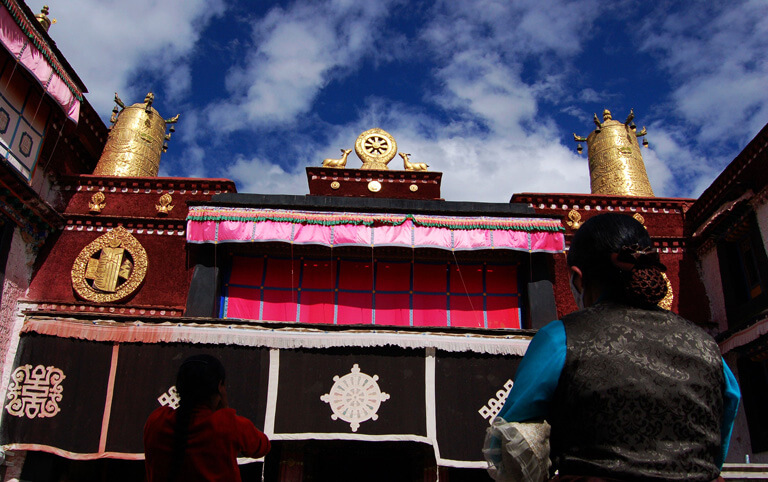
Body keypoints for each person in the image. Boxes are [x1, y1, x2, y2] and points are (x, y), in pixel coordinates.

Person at [488, 213, 741, 481]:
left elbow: (511, 435)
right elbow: (722, 427)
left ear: (577, 278)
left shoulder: (561, 336)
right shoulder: (705, 344)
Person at [144, 354, 271, 482]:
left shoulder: (157, 420)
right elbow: (261, 446)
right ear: (219, 387)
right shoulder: (228, 425)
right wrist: (225, 410)